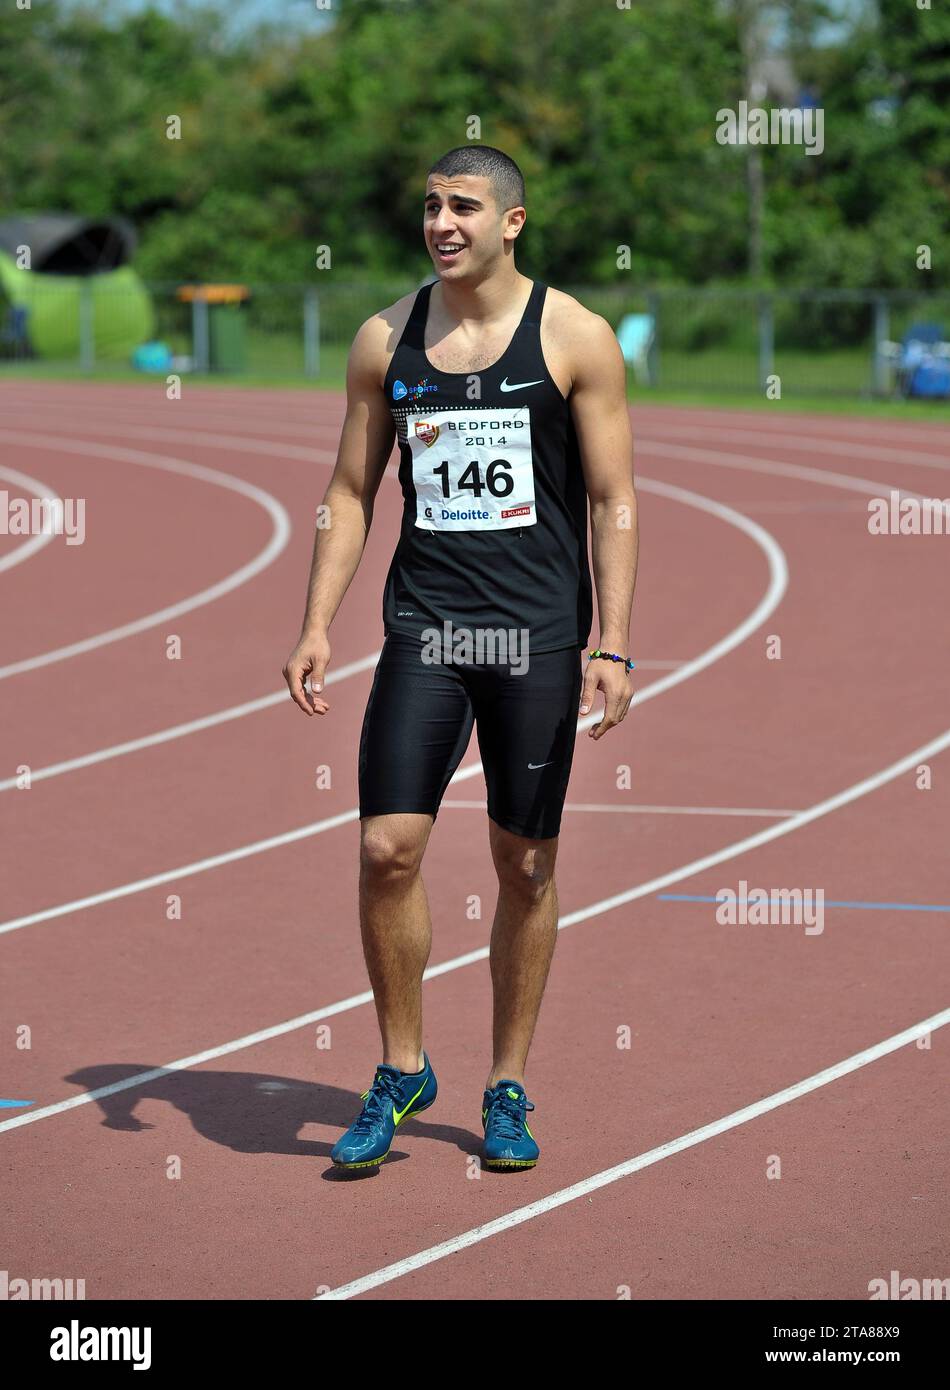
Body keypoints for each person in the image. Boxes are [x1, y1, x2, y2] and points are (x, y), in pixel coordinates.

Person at [282, 145, 638, 1171]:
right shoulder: (383, 338)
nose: (441, 222)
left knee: (522, 865)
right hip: (427, 631)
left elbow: (613, 500)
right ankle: (401, 1066)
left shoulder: (574, 337)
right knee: (385, 849)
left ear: (510, 222)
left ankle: (507, 1084)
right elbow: (350, 493)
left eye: (463, 206)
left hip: (532, 638)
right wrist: (315, 620)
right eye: (431, 206)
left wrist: (611, 642)